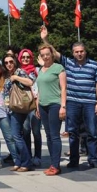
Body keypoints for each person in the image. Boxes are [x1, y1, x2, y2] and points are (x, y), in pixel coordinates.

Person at [41, 26, 97, 169]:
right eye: (76, 52)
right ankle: (74, 159)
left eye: (81, 51)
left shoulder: (94, 65)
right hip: (73, 102)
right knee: (73, 132)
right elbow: (54, 53)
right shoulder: (68, 63)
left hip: (89, 102)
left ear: (85, 51)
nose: (79, 54)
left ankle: (93, 159)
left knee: (92, 132)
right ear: (73, 53)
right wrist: (45, 39)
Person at [35, 44, 66, 176]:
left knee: (54, 135)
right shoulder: (40, 70)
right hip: (43, 105)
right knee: (48, 136)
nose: (46, 57)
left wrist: (63, 106)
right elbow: (39, 89)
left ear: (52, 54)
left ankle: (56, 165)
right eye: (43, 55)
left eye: (47, 54)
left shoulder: (58, 68)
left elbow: (63, 88)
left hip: (55, 104)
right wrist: (37, 106)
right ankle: (53, 164)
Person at [3, 54, 36, 172]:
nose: (8, 64)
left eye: (11, 62)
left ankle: (27, 162)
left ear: (15, 62)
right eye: (6, 62)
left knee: (16, 136)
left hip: (18, 108)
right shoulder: (7, 75)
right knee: (15, 136)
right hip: (9, 108)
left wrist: (16, 78)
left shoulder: (19, 71)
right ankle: (18, 161)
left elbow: (30, 82)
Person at [18, 49, 42, 166]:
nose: (25, 59)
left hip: (35, 103)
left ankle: (37, 156)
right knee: (26, 131)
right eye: (23, 57)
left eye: (28, 57)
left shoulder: (37, 70)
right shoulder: (18, 71)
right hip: (23, 105)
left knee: (36, 132)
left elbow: (40, 85)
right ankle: (28, 155)